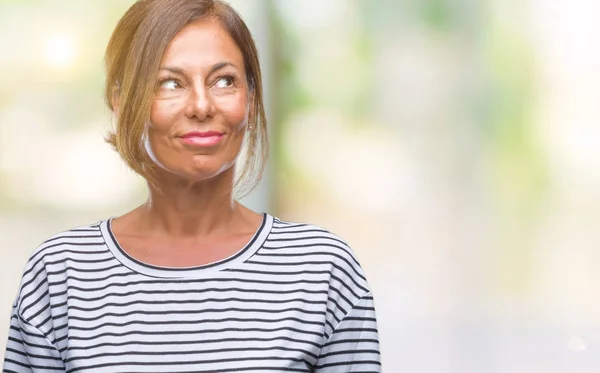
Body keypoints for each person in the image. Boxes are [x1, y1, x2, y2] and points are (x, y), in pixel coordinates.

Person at [2, 0, 381, 372]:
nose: (201, 106)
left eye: (223, 80)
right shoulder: (60, 275)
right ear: (121, 101)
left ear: (250, 99)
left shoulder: (322, 269)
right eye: (170, 83)